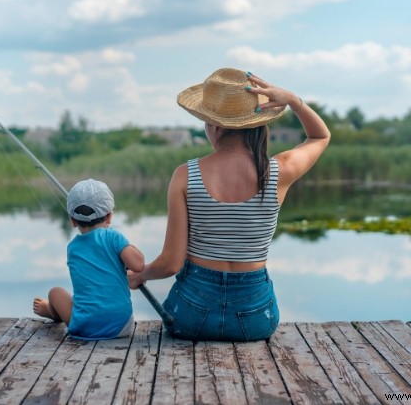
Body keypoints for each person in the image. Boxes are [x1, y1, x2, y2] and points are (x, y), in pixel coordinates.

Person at [128, 67, 330, 341]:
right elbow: (320, 136)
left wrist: (141, 275)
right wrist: (294, 100)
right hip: (257, 318)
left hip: (190, 316)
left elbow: (170, 264)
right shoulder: (279, 171)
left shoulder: (186, 175)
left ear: (215, 126)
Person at [33, 179, 145, 340]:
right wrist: (125, 244)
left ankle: (51, 311)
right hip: (121, 326)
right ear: (109, 216)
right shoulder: (114, 237)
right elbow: (138, 264)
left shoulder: (73, 247)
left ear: (72, 220)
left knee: (55, 292)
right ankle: (51, 310)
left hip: (84, 327)